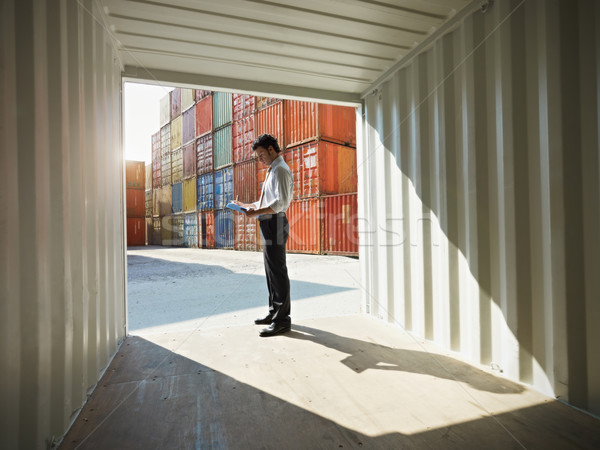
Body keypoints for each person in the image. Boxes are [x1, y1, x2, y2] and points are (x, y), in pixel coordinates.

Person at [234, 134, 293, 337]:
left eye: (261, 155)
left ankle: (282, 320)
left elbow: (281, 204)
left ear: (271, 149)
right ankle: (273, 312)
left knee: (277, 272)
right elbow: (267, 202)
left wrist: (256, 212)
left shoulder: (281, 170)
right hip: (268, 224)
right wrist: (247, 206)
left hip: (275, 224)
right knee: (270, 272)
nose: (260, 160)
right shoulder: (272, 170)